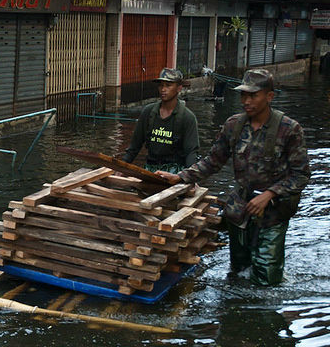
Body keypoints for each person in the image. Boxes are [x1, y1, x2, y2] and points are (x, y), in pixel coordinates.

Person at [157, 69, 310, 286]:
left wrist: (269, 194)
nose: (246, 100)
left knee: (267, 278)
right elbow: (213, 161)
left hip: (273, 214)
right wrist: (180, 177)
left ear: (269, 96)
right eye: (243, 95)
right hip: (240, 211)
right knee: (239, 272)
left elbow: (301, 174)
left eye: (253, 95)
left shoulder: (289, 129)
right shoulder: (233, 125)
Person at [122, 68, 199, 173]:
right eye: (161, 85)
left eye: (168, 85)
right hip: (151, 169)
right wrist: (122, 167)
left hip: (174, 171)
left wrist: (190, 177)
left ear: (179, 88)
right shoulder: (148, 112)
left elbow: (191, 152)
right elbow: (134, 146)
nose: (163, 89)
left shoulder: (187, 118)